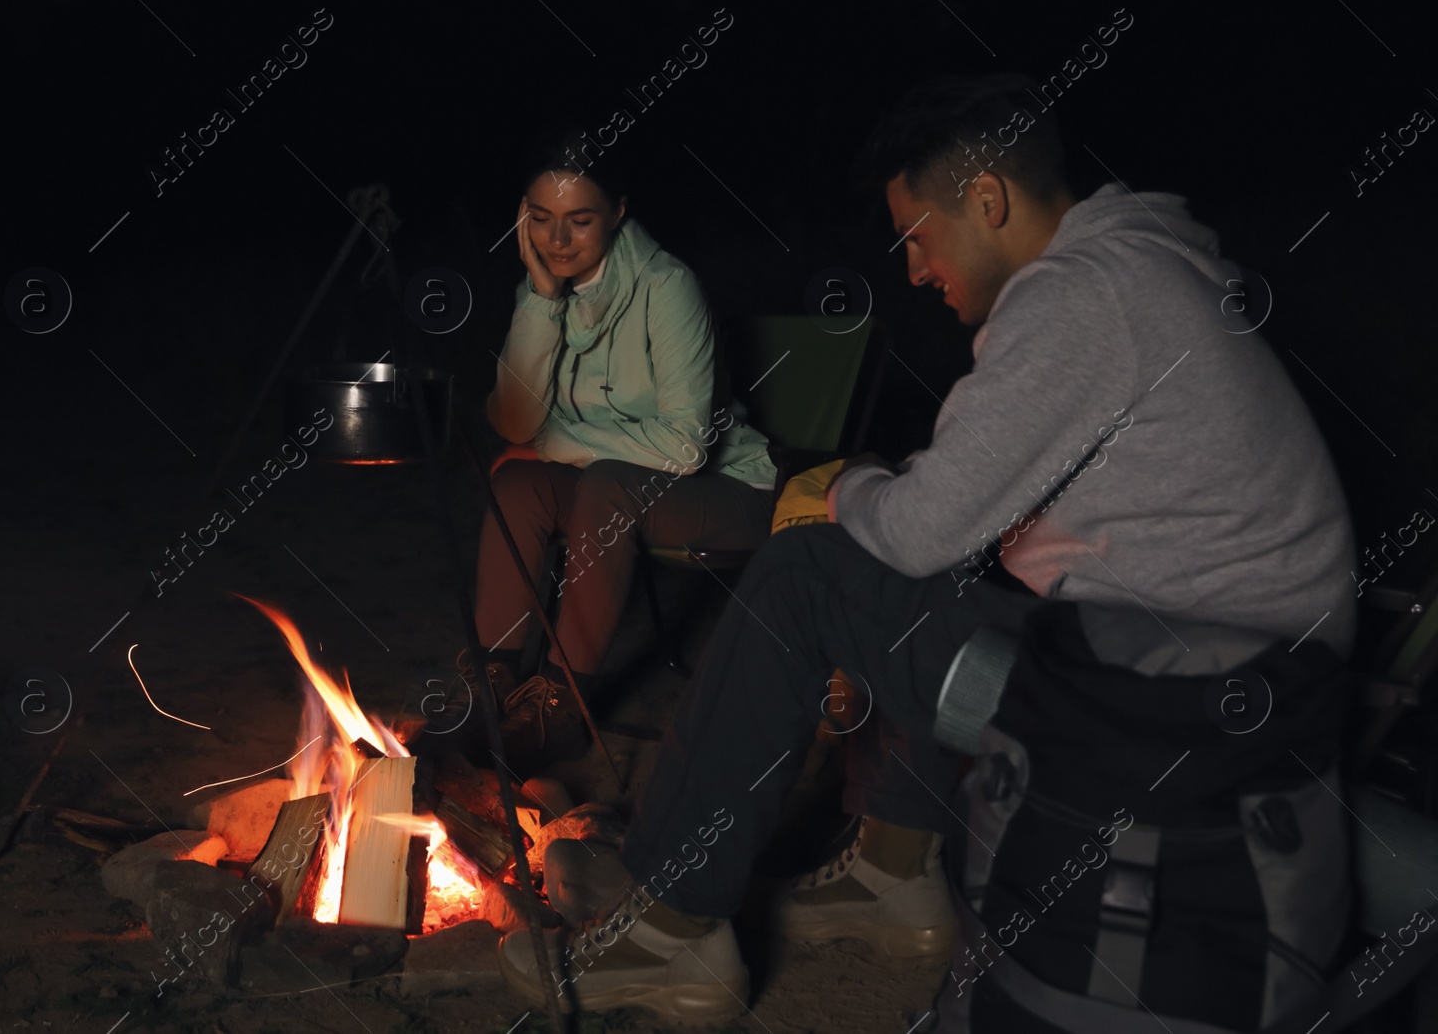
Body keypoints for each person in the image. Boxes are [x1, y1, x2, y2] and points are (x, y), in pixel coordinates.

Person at [497, 73, 1358, 1023]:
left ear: (987, 199)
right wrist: (889, 494)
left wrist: (837, 487)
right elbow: (968, 510)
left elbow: (913, 528)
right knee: (913, 559)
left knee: (805, 572)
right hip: (1235, 674)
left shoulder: (1082, 297)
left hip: (1188, 710)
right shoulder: (1143, 270)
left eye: (917, 236)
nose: (912, 269)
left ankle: (670, 929)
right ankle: (895, 874)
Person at [470, 130, 777, 770]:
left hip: (726, 493)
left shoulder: (668, 287)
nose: (557, 241)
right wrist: (540, 303)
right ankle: (492, 687)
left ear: (618, 212)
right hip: (607, 488)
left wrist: (551, 443)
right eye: (541, 220)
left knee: (603, 483)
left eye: (579, 221)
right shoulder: (544, 287)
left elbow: (686, 445)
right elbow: (512, 420)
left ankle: (561, 707)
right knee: (516, 487)